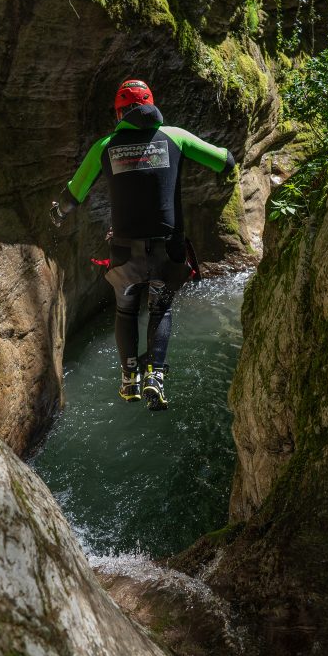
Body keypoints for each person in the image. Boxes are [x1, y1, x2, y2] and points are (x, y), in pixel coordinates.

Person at [50, 78, 235, 411]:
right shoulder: (176, 137)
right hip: (168, 248)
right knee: (161, 306)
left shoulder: (105, 146)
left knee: (126, 309)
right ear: (152, 102)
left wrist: (58, 214)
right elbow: (225, 160)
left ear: (120, 111)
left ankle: (129, 377)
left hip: (124, 252)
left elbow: (72, 196)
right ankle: (156, 376)